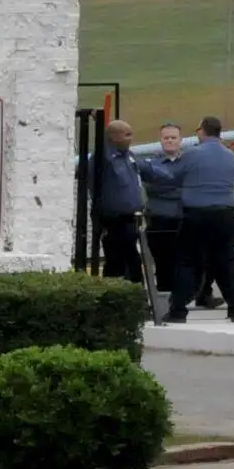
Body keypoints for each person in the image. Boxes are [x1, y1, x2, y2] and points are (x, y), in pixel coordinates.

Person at [171, 114, 234, 323]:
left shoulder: (191, 154)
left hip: (196, 214)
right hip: (225, 214)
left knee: (187, 262)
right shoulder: (229, 155)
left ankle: (178, 310)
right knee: (228, 262)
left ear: (202, 131)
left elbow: (175, 177)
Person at [135, 123, 191, 323]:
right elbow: (150, 188)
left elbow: (188, 187)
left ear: (180, 140)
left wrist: (165, 186)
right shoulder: (152, 164)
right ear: (160, 140)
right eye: (166, 138)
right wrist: (175, 187)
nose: (169, 141)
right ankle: (164, 306)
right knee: (163, 265)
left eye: (173, 137)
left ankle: (182, 303)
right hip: (158, 221)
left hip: (183, 220)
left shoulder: (189, 162)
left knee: (184, 264)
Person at [82, 120, 148, 287]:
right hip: (113, 220)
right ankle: (118, 293)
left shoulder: (129, 156)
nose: (131, 138)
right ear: (114, 137)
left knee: (129, 259)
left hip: (130, 220)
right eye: (127, 135)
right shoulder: (104, 160)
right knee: (118, 262)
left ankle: (131, 291)